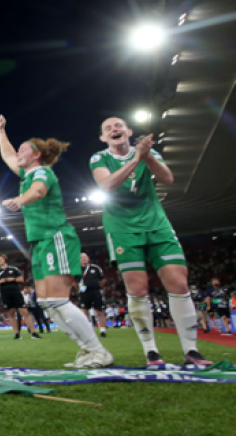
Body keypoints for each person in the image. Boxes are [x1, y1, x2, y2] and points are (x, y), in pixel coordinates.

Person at [91, 117, 211, 366]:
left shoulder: (149, 153)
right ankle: (151, 352)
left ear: (129, 131)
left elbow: (167, 178)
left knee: (179, 284)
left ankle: (191, 350)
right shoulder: (99, 158)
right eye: (108, 128)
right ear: (103, 138)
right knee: (138, 290)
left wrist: (146, 156)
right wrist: (136, 159)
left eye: (118, 125)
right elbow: (107, 185)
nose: (114, 129)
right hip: (122, 229)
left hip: (157, 225)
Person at [0, 255, 39, 339]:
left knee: (25, 312)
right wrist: (0, 281)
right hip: (5, 294)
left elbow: (21, 280)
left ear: (5, 260)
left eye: (1, 259)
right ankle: (17, 334)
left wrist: (12, 279)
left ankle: (34, 333)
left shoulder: (14, 269)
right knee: (11, 314)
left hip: (16, 292)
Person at [78, 253, 109, 338]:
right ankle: (86, 331)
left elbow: (102, 279)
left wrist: (98, 287)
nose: (84, 259)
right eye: (82, 257)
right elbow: (73, 281)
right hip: (84, 293)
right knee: (84, 312)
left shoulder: (95, 268)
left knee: (100, 311)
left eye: (85, 257)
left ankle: (102, 331)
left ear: (88, 258)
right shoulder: (77, 269)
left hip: (96, 291)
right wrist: (79, 288)